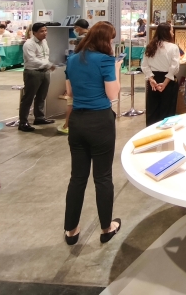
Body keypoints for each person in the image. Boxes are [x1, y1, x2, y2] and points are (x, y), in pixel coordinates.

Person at [63, 21, 123, 246]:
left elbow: (69, 92)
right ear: (104, 40)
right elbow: (113, 94)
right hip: (100, 121)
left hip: (77, 122)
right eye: (110, 39)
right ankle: (107, 228)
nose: (111, 43)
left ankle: (71, 230)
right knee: (103, 177)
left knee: (77, 178)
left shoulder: (72, 59)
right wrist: (116, 69)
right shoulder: (105, 60)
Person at [141, 23, 181, 125]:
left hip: (153, 82)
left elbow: (144, 65)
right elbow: (174, 67)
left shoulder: (150, 46)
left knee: (152, 110)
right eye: (171, 31)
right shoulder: (173, 47)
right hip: (168, 81)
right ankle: (165, 133)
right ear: (167, 32)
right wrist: (165, 83)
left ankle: (151, 132)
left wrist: (151, 79)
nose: (173, 33)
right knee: (167, 111)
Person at [19, 22, 56, 132]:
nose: (45, 33)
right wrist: (48, 64)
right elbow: (32, 59)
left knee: (41, 96)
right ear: (34, 32)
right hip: (33, 72)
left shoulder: (44, 41)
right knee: (28, 98)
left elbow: (45, 56)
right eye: (41, 31)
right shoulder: (29, 44)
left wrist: (47, 65)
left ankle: (39, 118)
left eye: (45, 30)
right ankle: (23, 122)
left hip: (45, 72)